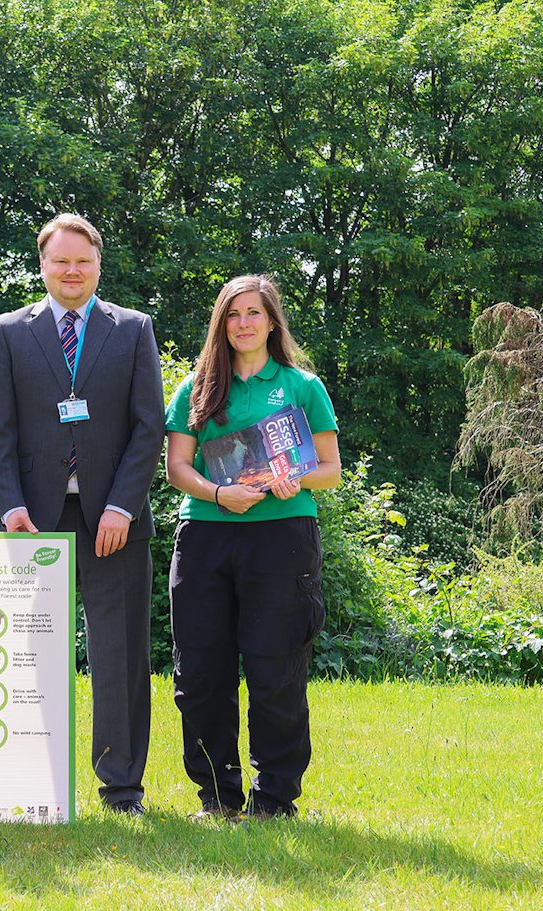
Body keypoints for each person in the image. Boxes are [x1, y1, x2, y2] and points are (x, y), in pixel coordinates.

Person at [0, 213, 165, 816]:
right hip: (34, 521)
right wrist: (8, 508)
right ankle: (36, 779)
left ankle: (121, 788)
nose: (72, 271)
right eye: (61, 261)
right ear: (42, 265)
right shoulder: (9, 332)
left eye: (82, 262)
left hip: (113, 521)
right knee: (31, 654)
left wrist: (121, 505)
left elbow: (147, 431)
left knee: (119, 654)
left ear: (98, 266)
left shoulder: (133, 330)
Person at [164, 274, 340, 820]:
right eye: (233, 314)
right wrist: (220, 493)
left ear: (271, 321)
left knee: (276, 669)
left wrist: (294, 479)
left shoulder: (303, 386)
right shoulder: (195, 389)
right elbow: (176, 467)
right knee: (201, 673)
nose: (243, 323)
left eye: (254, 313)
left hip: (281, 538)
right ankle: (217, 798)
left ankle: (275, 801)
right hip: (205, 537)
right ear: (222, 323)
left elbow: (330, 471)